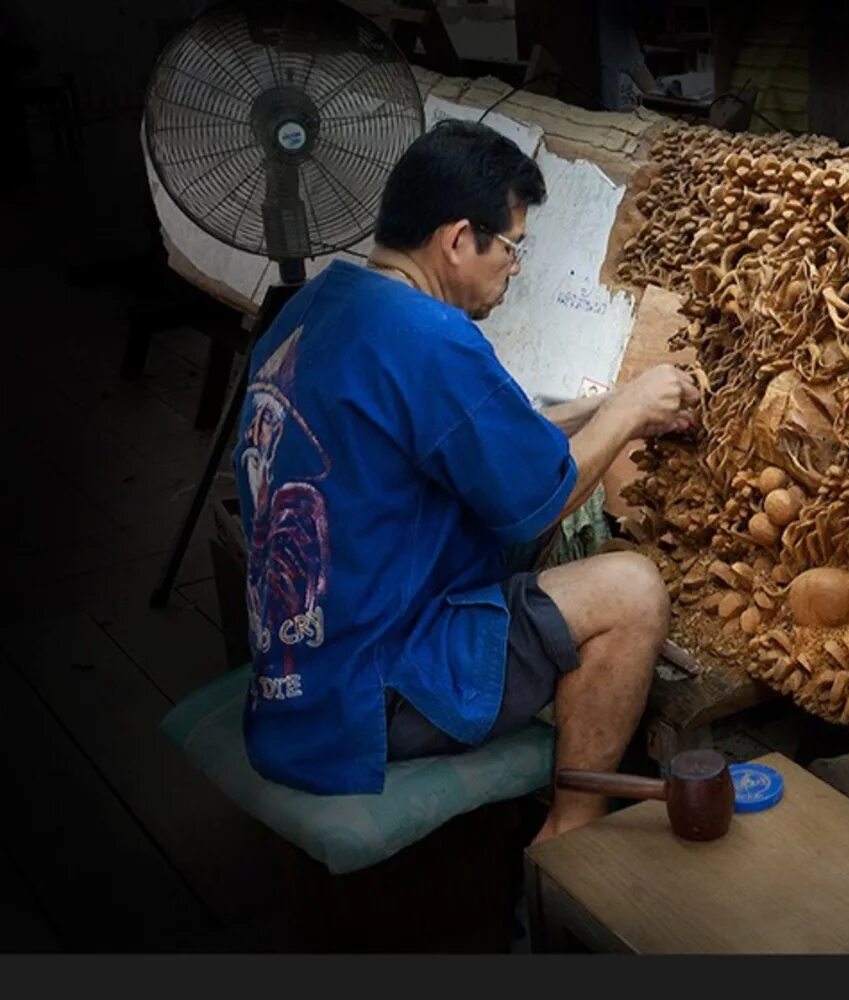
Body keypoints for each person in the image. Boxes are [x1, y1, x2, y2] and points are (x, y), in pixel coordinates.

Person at [232, 120, 697, 843]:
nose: (515, 267)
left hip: (297, 682)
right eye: (513, 246)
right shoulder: (430, 340)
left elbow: (482, 430)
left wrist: (602, 409)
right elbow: (536, 504)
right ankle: (572, 833)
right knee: (632, 589)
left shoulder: (318, 306)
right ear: (457, 240)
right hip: (372, 696)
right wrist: (634, 408)